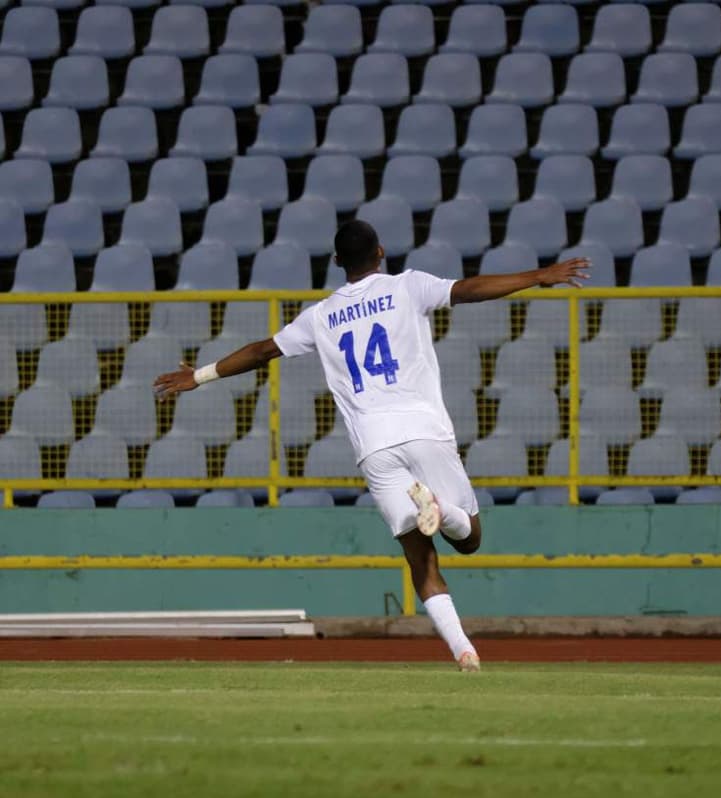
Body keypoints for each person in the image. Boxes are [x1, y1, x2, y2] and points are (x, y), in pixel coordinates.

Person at [155, 221, 590, 671]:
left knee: (420, 561)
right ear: (381, 252)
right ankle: (443, 511)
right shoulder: (409, 287)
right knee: (470, 540)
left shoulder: (321, 315)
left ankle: (464, 651)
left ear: (337, 261)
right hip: (423, 429)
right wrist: (538, 276)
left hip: (375, 446)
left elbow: (263, 350)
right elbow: (471, 289)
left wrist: (200, 376)